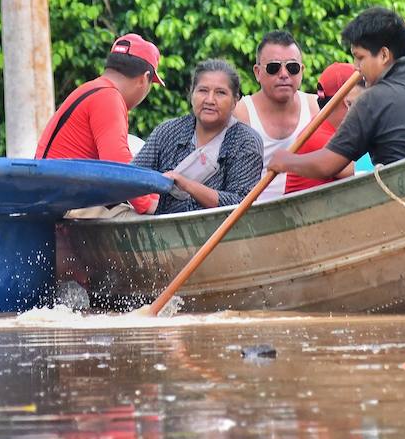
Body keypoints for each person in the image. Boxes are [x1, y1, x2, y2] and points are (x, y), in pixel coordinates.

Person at [269, 7, 405, 180]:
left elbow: (327, 165)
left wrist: (286, 160)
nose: (356, 67)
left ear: (384, 55)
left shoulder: (372, 100)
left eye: (360, 58)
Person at [36, 33, 164, 292]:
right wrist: (150, 204)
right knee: (155, 230)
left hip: (56, 200)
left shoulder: (92, 89)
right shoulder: (108, 98)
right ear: (144, 79)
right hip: (66, 206)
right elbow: (118, 164)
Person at [133, 60, 264, 215]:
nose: (209, 100)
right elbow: (134, 177)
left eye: (220, 93)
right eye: (203, 90)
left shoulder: (245, 142)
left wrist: (187, 185)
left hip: (225, 235)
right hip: (166, 232)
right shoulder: (169, 132)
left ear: (235, 100)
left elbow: (242, 203)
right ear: (191, 94)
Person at [233, 30, 316, 203]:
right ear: (257, 72)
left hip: (310, 211)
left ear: (302, 71)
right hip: (255, 216)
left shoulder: (317, 107)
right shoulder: (239, 113)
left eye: (292, 67)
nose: (284, 74)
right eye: (274, 67)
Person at [284, 62, 357, 194]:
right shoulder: (316, 136)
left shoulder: (332, 128)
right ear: (348, 101)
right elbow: (359, 171)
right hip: (305, 213)